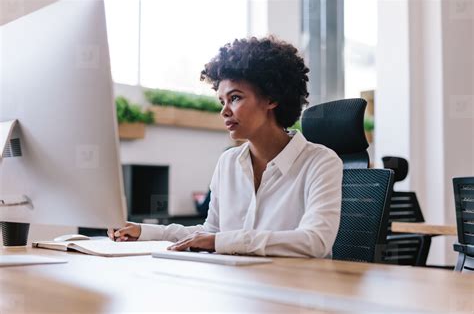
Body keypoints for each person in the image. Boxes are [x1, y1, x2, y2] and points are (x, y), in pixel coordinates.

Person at [108, 36, 343, 258]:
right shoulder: (228, 162)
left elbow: (315, 242)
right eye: (222, 101)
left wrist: (222, 242)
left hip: (299, 290)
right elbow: (210, 232)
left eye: (235, 98)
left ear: (271, 99)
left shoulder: (320, 162)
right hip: (240, 286)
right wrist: (145, 232)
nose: (224, 111)